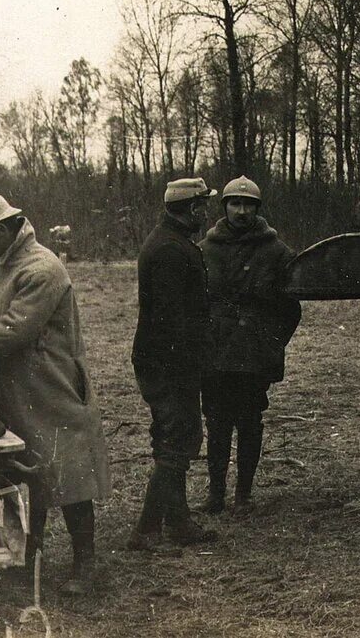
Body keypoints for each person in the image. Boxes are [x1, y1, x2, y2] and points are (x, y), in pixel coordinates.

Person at [0, 194, 110, 595]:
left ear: (6, 230)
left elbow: (13, 330)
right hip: (15, 388)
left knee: (69, 472)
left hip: (51, 385)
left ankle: (86, 563)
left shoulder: (42, 267)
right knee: (24, 473)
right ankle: (29, 557)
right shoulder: (3, 264)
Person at [199, 177, 301, 514]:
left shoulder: (276, 252)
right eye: (235, 204)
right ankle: (215, 494)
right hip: (215, 357)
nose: (241, 211)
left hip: (253, 358)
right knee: (216, 424)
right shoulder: (205, 250)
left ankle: (244, 494)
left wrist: (270, 344)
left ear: (257, 209)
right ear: (224, 207)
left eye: (248, 205)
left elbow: (291, 308)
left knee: (249, 423)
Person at [129, 178, 219, 550]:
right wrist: (189, 364)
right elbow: (171, 320)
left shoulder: (171, 241)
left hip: (166, 359)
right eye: (203, 205)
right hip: (169, 362)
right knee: (179, 437)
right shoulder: (169, 249)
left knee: (176, 436)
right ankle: (147, 530)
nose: (206, 212)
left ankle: (178, 522)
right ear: (193, 209)